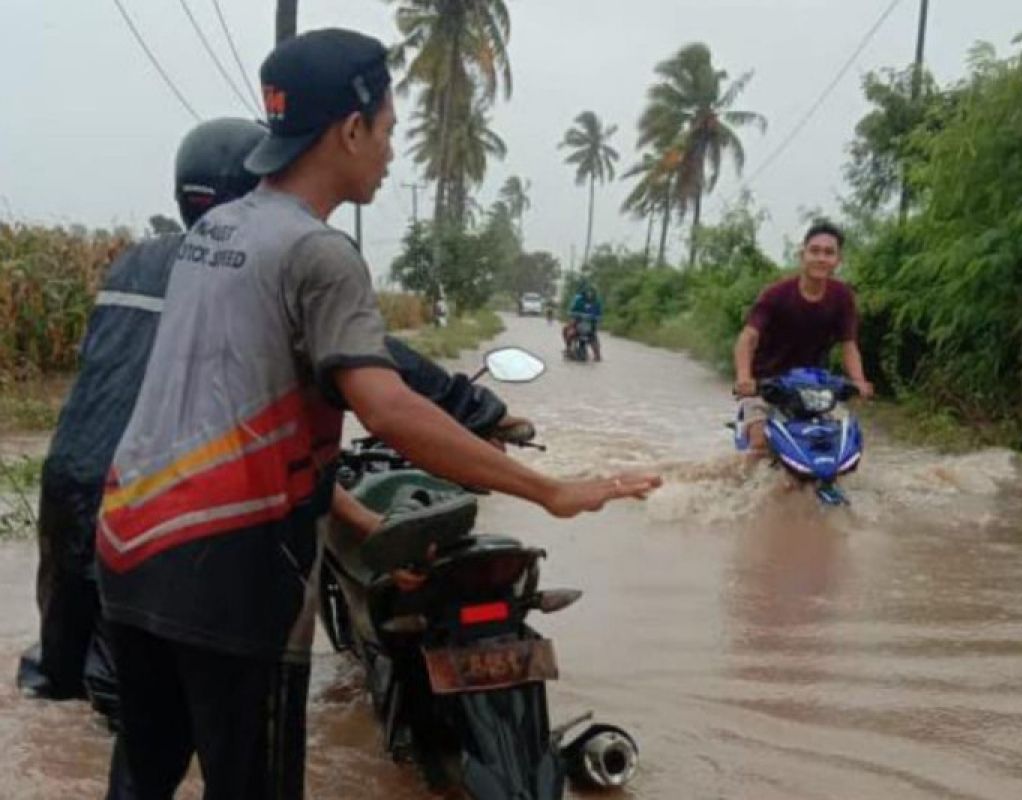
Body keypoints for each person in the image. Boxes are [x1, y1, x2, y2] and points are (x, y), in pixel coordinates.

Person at [97, 28, 659, 800]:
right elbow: (389, 410)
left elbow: (245, 432)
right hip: (231, 571)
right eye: (389, 130)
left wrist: (371, 530)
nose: (392, 151)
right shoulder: (319, 253)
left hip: (131, 548)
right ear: (350, 129)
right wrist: (550, 491)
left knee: (143, 776)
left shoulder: (214, 234)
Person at [16, 118, 267, 724]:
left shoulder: (132, 262)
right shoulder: (241, 270)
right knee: (129, 700)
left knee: (60, 671)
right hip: (145, 490)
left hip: (71, 472)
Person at [732, 221, 874, 454]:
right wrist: (744, 378)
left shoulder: (842, 297)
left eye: (829, 253)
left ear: (838, 260)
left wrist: (859, 381)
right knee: (759, 444)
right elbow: (747, 338)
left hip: (814, 386)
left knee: (843, 443)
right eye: (815, 251)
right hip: (766, 384)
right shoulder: (775, 294)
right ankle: (750, 487)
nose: (821, 258)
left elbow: (849, 344)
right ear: (802, 254)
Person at [562, 284, 604, 361]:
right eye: (588, 292)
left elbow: (600, 315)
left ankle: (597, 354)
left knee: (597, 354)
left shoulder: (597, 302)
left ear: (594, 293)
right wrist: (574, 314)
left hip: (590, 327)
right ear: (585, 292)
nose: (590, 294)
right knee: (568, 331)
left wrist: (597, 319)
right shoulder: (579, 300)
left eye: (591, 292)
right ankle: (568, 348)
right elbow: (572, 310)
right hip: (577, 324)